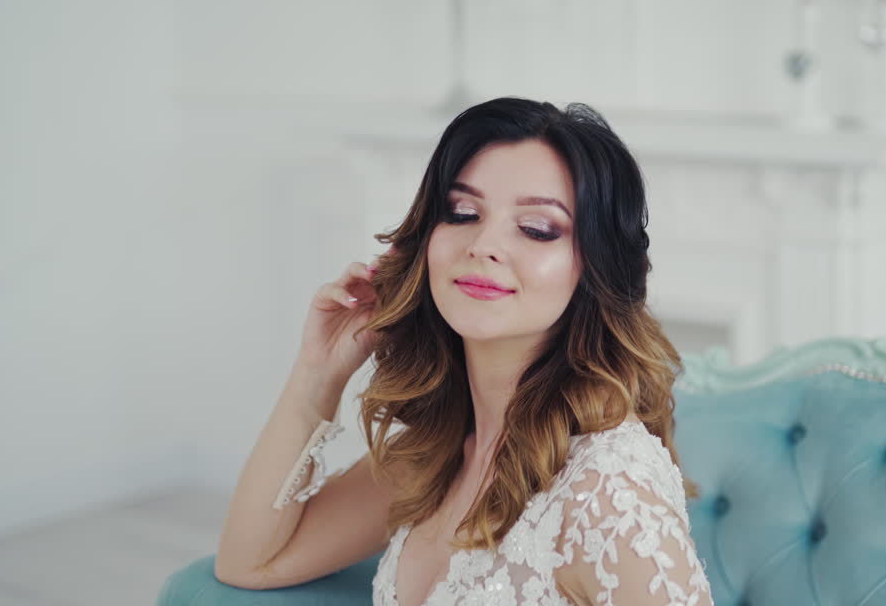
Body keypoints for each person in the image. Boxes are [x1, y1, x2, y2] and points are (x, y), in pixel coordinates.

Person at [214, 97, 713, 606]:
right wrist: (317, 375)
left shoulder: (608, 489)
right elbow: (249, 562)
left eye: (536, 228)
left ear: (594, 270)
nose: (483, 244)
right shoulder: (434, 456)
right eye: (463, 212)